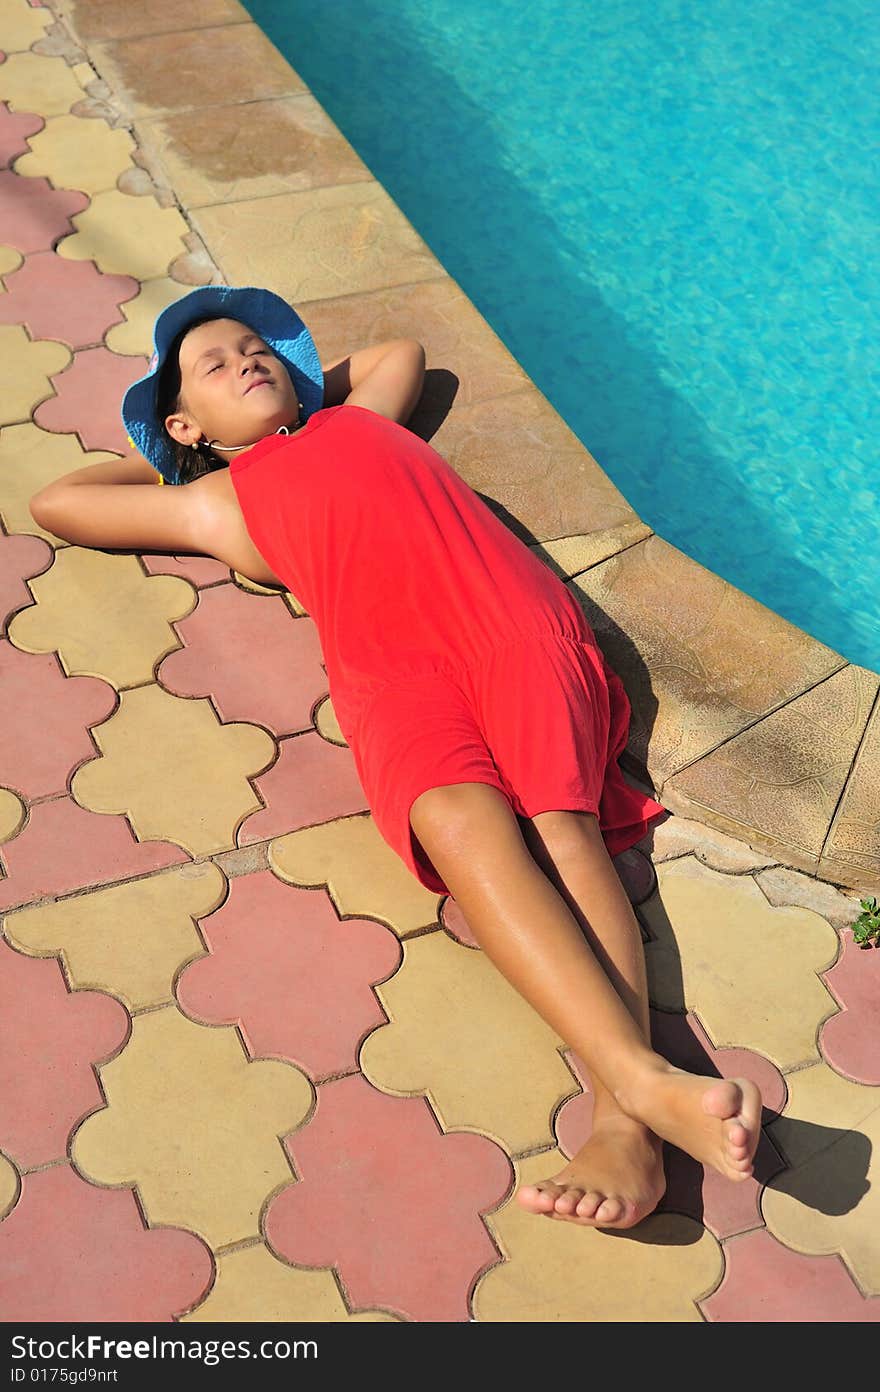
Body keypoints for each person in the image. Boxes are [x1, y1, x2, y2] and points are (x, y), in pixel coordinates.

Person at [29, 285, 762, 1230]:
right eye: (216, 366)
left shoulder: (354, 417)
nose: (247, 361)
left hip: (510, 628)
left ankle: (625, 1119)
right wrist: (177, 452)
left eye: (258, 349)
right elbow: (61, 501)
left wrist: (287, 390)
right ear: (185, 421)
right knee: (455, 823)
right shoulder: (217, 503)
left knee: (564, 827)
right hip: (393, 673)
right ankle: (644, 1082)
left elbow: (397, 353)